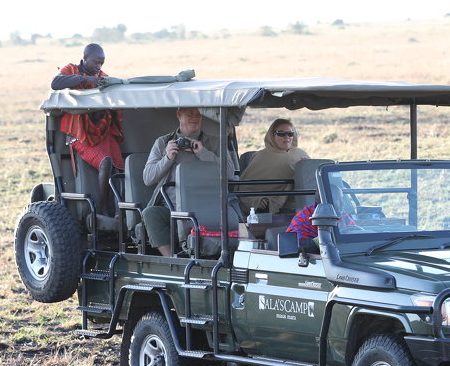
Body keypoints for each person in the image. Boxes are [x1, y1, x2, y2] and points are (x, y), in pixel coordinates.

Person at [141, 108, 225, 257]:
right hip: (171, 208)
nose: (195, 117)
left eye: (198, 114)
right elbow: (148, 178)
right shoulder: (163, 142)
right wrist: (167, 158)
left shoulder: (214, 142)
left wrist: (203, 153)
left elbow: (229, 173)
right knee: (150, 214)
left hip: (207, 206)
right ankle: (171, 260)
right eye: (190, 113)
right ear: (179, 115)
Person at [52, 43, 123, 213]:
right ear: (84, 58)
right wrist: (83, 79)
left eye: (102, 63)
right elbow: (55, 83)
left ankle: (119, 211)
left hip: (101, 132)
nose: (99, 67)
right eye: (96, 62)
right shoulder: (71, 70)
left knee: (119, 168)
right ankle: (102, 208)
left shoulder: (101, 76)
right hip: (79, 134)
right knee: (106, 162)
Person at [236, 118, 310, 215]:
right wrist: (256, 200)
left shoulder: (301, 154)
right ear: (272, 135)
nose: (286, 137)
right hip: (272, 211)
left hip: (302, 206)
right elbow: (244, 188)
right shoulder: (262, 157)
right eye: (281, 133)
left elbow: (311, 181)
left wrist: (306, 167)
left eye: (290, 133)